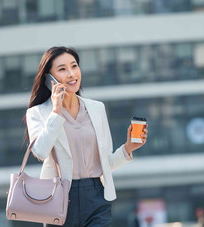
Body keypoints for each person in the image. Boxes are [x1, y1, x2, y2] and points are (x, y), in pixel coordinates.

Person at [24, 46, 148, 227]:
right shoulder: (38, 113)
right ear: (49, 79)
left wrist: (128, 148)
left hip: (96, 196)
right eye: (62, 69)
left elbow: (106, 163)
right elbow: (40, 152)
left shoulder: (97, 108)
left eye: (74, 66)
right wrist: (56, 112)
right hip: (59, 198)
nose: (71, 74)